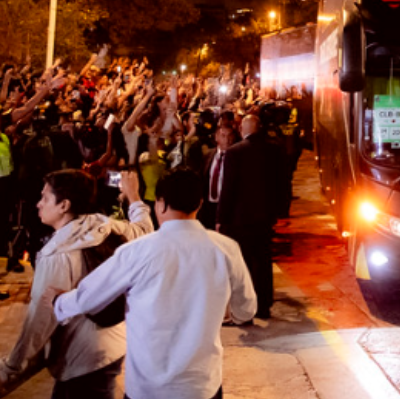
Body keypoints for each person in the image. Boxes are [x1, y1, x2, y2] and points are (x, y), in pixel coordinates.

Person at [53, 169, 256, 399]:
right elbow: (247, 309)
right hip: (202, 385)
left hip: (148, 388)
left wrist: (58, 302)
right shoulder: (226, 248)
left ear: (161, 204)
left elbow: (87, 297)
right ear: (199, 203)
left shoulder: (137, 251)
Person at [0, 170, 152, 398]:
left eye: (45, 198)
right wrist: (134, 197)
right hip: (115, 344)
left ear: (64, 205)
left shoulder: (57, 254)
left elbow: (41, 319)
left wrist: (11, 367)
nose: (38, 204)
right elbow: (144, 232)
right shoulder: (107, 227)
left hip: (81, 359)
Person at [217, 113, 285, 320]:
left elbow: (228, 189)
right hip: (264, 216)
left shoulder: (235, 152)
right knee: (264, 259)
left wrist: (222, 218)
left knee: (244, 262)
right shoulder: (274, 150)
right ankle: (264, 304)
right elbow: (282, 183)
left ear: (242, 129)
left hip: (241, 218)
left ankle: (247, 305)